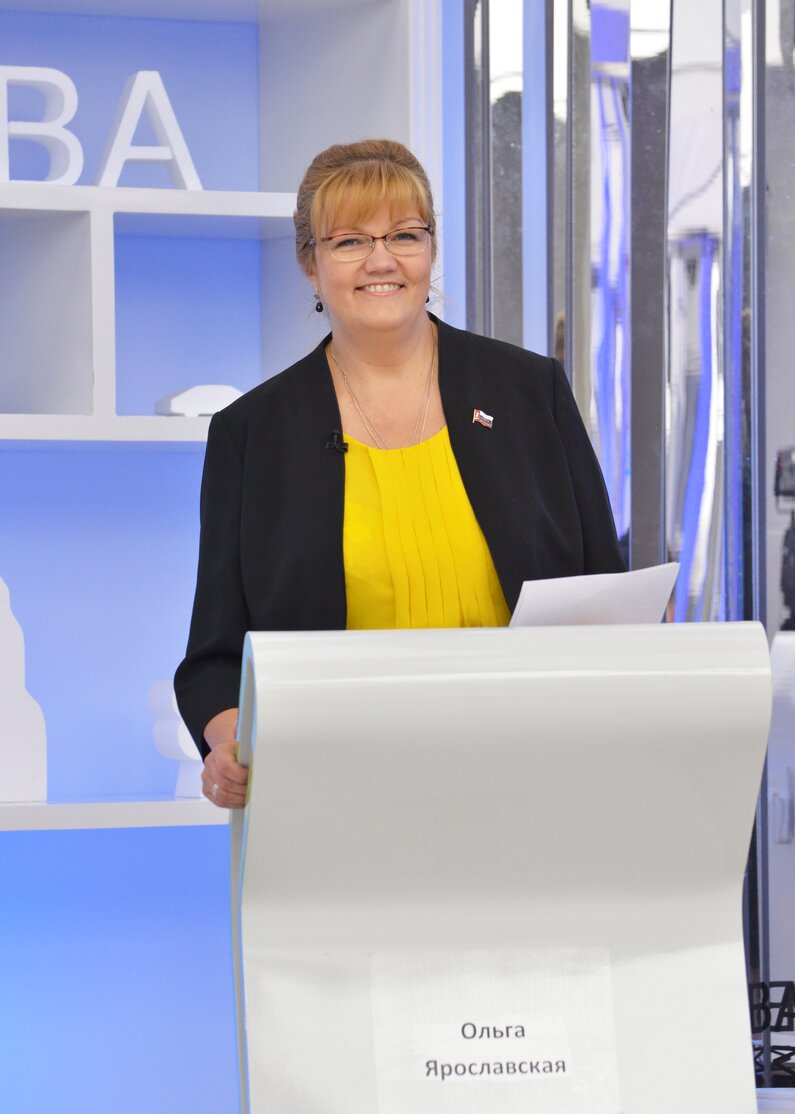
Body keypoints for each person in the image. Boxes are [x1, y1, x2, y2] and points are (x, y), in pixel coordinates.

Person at [174, 138, 625, 809]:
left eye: (404, 235)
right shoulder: (252, 433)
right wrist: (230, 743)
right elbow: (214, 660)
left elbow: (605, 596)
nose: (381, 260)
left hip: (538, 782)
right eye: (350, 241)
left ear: (431, 249)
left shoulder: (530, 392)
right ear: (310, 262)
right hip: (338, 795)